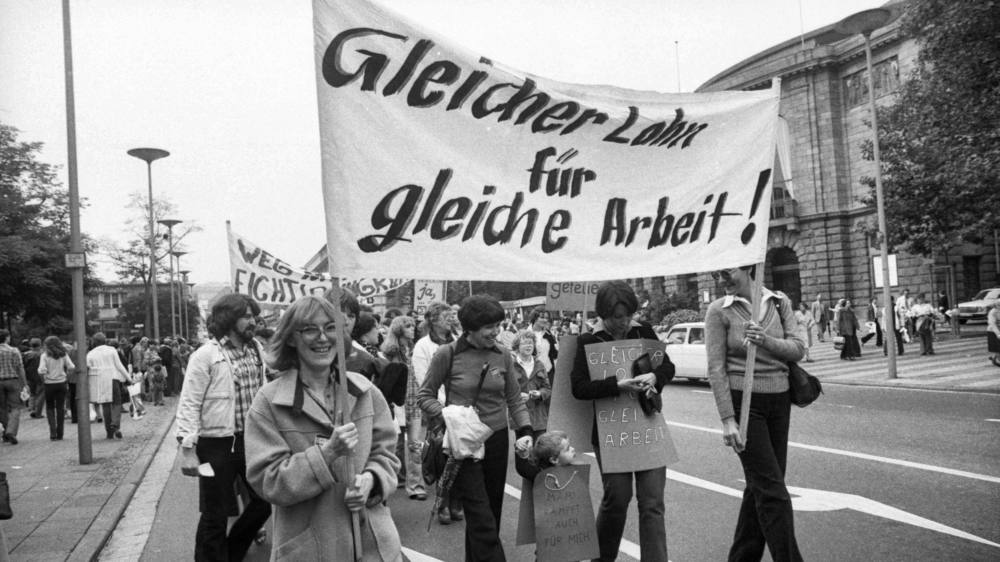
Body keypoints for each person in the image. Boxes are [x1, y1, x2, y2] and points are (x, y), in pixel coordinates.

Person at [245, 295, 402, 561]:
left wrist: (372, 481)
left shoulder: (365, 392)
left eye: (331, 328)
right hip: (310, 550)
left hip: (373, 545)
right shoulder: (269, 402)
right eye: (309, 329)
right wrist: (327, 454)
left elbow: (387, 455)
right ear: (292, 338)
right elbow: (269, 482)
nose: (322, 337)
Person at [417, 294, 534, 561]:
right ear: (469, 328)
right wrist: (450, 416)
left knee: (491, 512)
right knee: (480, 515)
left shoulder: (503, 355)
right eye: (489, 327)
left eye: (498, 325)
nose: (496, 332)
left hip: (497, 439)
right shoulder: (447, 354)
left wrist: (526, 431)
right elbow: (425, 396)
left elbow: (514, 399)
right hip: (464, 444)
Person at [570, 280, 675, 562]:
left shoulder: (644, 331)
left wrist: (657, 376)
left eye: (628, 315)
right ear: (604, 314)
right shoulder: (589, 341)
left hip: (647, 427)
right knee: (617, 498)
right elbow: (578, 388)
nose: (624, 322)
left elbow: (667, 365)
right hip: (610, 432)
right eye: (617, 317)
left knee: (652, 503)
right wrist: (617, 385)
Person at [706, 266, 805, 561]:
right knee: (773, 493)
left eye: (727, 274)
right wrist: (727, 420)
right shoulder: (719, 310)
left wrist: (765, 340)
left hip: (779, 400)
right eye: (716, 276)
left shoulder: (778, 302)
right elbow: (716, 368)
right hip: (744, 403)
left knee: (760, 488)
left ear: (749, 268)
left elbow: (798, 348)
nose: (722, 281)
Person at [175, 294, 272, 561]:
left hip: (251, 440)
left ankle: (231, 552)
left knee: (265, 501)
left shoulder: (256, 350)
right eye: (247, 316)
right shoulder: (206, 355)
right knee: (215, 513)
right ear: (229, 319)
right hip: (215, 444)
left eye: (254, 315)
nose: (253, 321)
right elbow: (190, 401)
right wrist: (187, 448)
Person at [411, 301, 461, 524]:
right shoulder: (422, 346)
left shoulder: (460, 341)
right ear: (432, 320)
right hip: (439, 410)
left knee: (462, 454)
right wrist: (443, 408)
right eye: (445, 316)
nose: (450, 319)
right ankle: (442, 502)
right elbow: (425, 382)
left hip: (462, 408)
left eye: (451, 315)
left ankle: (457, 500)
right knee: (442, 457)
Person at [381, 315, 425, 501]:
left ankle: (415, 485)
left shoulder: (414, 350)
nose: (412, 328)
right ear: (399, 329)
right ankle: (394, 478)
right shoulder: (390, 353)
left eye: (413, 325)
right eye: (408, 326)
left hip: (414, 402)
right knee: (394, 445)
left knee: (415, 444)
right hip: (397, 404)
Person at [86, 332, 131, 439]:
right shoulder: (112, 350)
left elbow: (88, 369)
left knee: (105, 405)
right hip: (113, 378)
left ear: (94, 342)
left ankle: (109, 433)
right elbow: (119, 366)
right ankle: (115, 424)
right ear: (105, 340)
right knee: (117, 402)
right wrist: (129, 378)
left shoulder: (90, 354)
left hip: (99, 381)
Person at [510, 329, 551, 437]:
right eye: (524, 343)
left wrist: (539, 393)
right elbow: (505, 390)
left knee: (541, 449)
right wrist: (517, 396)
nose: (528, 346)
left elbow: (547, 388)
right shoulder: (511, 365)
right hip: (520, 416)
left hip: (539, 416)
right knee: (524, 451)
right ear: (517, 346)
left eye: (531, 343)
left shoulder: (540, 365)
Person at [37, 336, 74, 440]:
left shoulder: (44, 356)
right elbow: (71, 367)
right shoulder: (63, 354)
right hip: (61, 383)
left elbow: (41, 370)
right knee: (60, 408)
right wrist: (67, 377)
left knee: (49, 407)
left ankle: (53, 433)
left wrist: (43, 380)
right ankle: (60, 433)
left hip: (49, 384)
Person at [0, 330, 27, 445]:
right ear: (7, 338)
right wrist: (25, 383)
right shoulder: (14, 351)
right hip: (13, 381)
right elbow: (20, 368)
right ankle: (11, 431)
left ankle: (5, 432)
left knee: (2, 408)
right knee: (16, 407)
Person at [528, 307, 559, 384]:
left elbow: (554, 354)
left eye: (547, 318)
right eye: (542, 317)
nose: (545, 320)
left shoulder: (549, 334)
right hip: (532, 373)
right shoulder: (525, 334)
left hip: (549, 373)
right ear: (534, 317)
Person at [22, 338, 44, 419]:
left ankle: (31, 408)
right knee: (40, 394)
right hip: (40, 377)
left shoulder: (26, 354)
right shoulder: (42, 354)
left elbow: (23, 366)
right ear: (40, 344)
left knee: (32, 393)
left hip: (29, 377)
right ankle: (37, 412)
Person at [987, 301, 1000, 367]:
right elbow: (993, 324)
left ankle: (994, 357)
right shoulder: (993, 312)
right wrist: (998, 334)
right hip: (993, 331)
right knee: (997, 347)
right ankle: (996, 358)